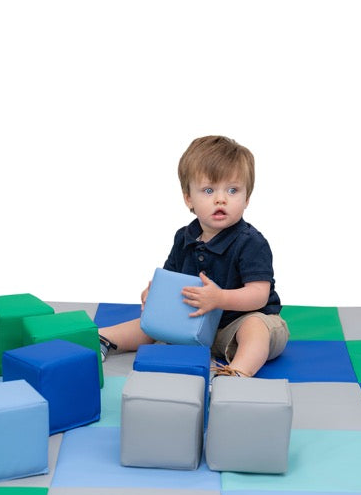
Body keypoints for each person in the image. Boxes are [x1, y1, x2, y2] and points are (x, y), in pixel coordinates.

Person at [98, 135, 289, 377]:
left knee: (256, 328)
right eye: (209, 190)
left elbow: (259, 295)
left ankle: (238, 372)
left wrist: (220, 298)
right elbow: (171, 281)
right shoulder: (184, 237)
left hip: (240, 324)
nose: (221, 199)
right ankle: (104, 338)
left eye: (233, 190)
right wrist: (154, 295)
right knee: (152, 321)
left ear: (247, 198)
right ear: (189, 198)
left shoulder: (251, 242)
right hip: (196, 326)